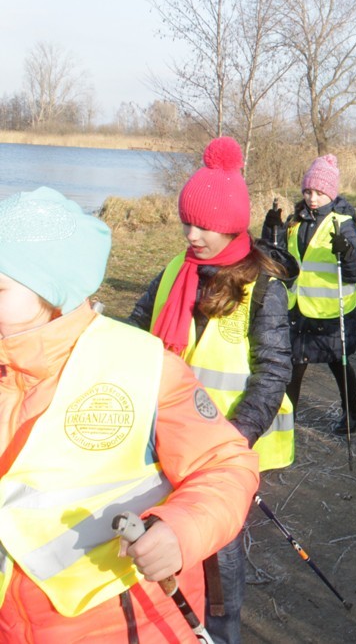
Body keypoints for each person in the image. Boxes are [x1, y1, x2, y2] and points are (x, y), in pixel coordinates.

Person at [0, 187, 259, 641]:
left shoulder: (145, 367)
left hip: (124, 622)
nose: (192, 234)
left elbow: (226, 464)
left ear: (52, 289)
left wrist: (178, 531)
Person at [129, 136, 296, 644]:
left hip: (223, 448)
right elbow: (134, 336)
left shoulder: (263, 287)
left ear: (232, 224)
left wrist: (231, 443)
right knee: (168, 539)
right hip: (167, 441)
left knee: (219, 554)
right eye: (186, 222)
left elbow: (273, 372)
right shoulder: (173, 272)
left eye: (203, 225)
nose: (191, 234)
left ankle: (220, 633)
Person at [263, 153, 356, 432]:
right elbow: (278, 259)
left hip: (332, 311)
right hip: (299, 308)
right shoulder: (295, 222)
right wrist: (271, 231)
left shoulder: (343, 223)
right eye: (308, 191)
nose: (312, 198)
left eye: (319, 192)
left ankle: (352, 414)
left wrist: (346, 251)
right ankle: (286, 419)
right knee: (294, 364)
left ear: (330, 193)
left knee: (338, 363)